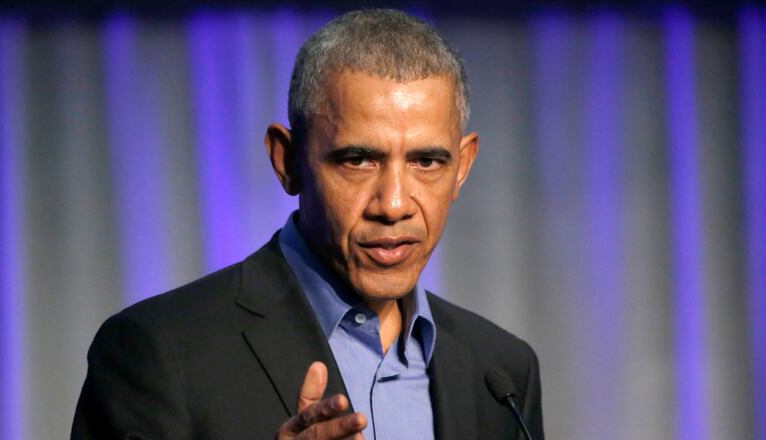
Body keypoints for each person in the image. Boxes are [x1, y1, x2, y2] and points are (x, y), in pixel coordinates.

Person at [72, 9, 544, 440]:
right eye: (358, 159)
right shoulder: (158, 353)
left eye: (426, 161)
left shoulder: (500, 372)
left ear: (462, 166)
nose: (394, 204)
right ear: (288, 161)